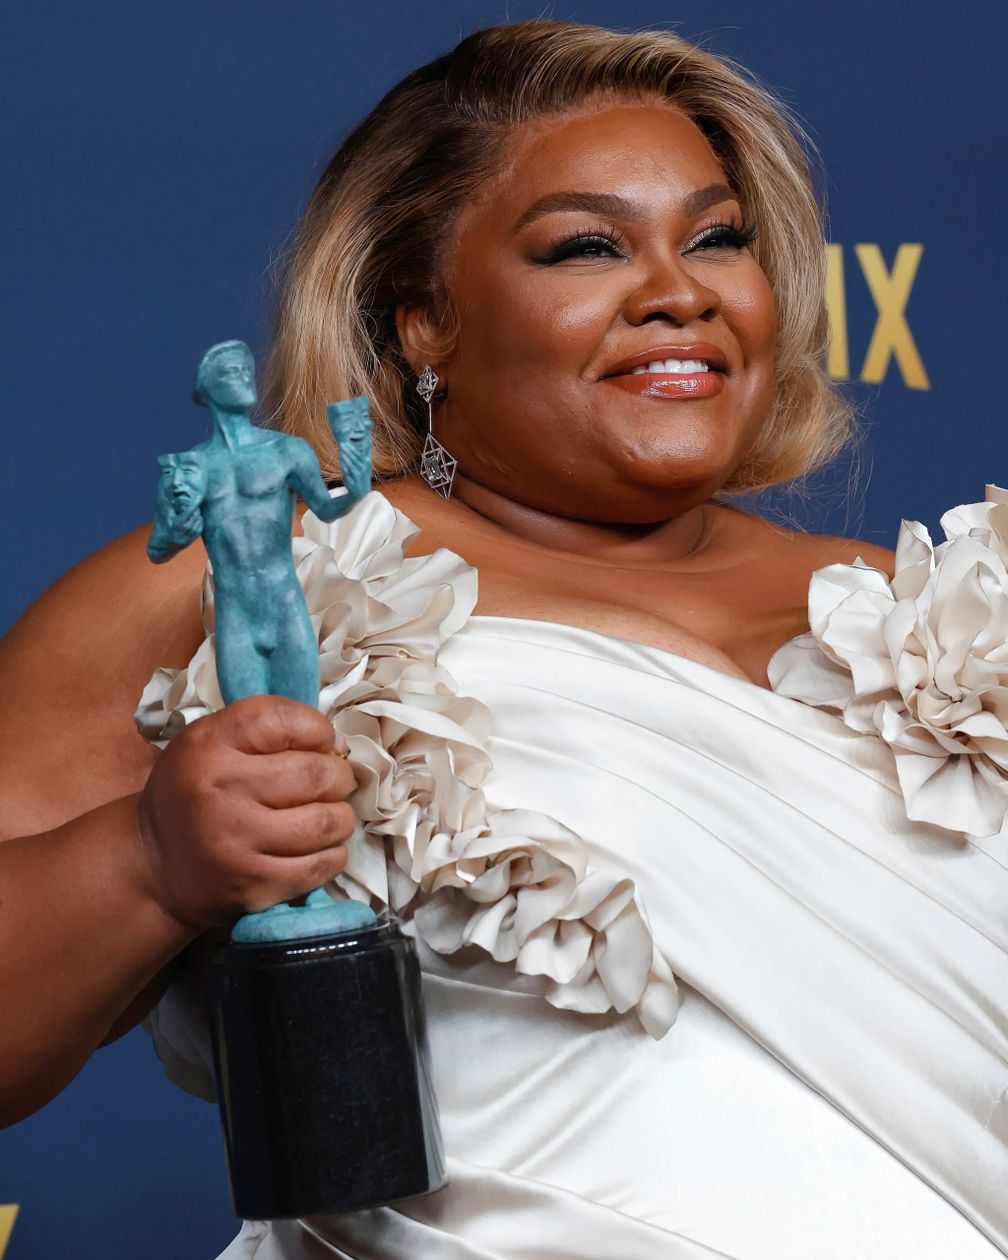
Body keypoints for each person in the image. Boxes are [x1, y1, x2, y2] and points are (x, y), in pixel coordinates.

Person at [1, 18, 1005, 1260]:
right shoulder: (249, 580)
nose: (681, 290)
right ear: (425, 319)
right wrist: (149, 860)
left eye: (717, 238)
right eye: (588, 246)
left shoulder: (932, 614)